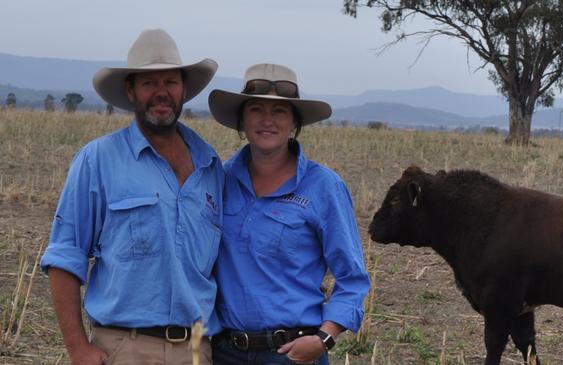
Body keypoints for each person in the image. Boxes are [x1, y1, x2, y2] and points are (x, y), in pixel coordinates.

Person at [40, 29, 223, 365]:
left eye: (170, 82)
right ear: (130, 90)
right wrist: (77, 347)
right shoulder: (98, 159)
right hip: (126, 347)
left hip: (198, 349)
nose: (161, 93)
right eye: (149, 83)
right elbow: (66, 256)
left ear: (184, 89)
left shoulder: (210, 165)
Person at [208, 63, 371, 365]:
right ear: (241, 122)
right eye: (256, 109)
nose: (267, 120)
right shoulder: (218, 181)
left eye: (280, 111)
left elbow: (353, 278)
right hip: (224, 352)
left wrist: (324, 338)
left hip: (294, 354)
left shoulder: (324, 187)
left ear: (294, 123)